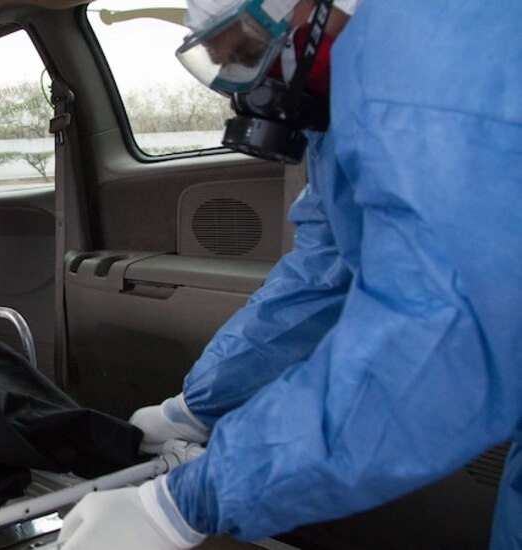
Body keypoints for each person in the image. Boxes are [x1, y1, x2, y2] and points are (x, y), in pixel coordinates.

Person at [58, 0, 522, 548]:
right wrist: (197, 407)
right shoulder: (347, 100)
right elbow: (319, 277)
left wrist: (182, 505)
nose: (246, 85)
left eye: (247, 51)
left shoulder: (430, 51)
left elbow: (444, 341)